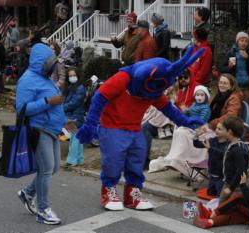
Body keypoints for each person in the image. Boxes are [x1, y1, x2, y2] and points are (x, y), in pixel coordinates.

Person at [76, 46, 205, 211]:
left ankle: (132, 195)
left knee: (137, 160)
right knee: (113, 161)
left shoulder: (155, 88)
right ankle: (109, 191)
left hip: (135, 128)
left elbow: (167, 108)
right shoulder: (124, 77)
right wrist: (90, 124)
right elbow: (100, 96)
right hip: (112, 126)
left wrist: (185, 121)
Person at [16, 43, 75, 225]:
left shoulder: (45, 77)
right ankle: (42, 210)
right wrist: (48, 101)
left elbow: (55, 104)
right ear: (41, 62)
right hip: (38, 129)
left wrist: (64, 120)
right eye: (49, 62)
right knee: (46, 169)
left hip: (53, 129)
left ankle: (27, 193)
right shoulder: (27, 79)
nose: (53, 65)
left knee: (54, 167)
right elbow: (22, 109)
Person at [194, 153, 249, 229]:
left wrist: (243, 184)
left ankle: (211, 213)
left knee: (237, 198)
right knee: (235, 215)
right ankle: (210, 222)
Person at [148, 85, 211, 176]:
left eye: (202, 95)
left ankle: (183, 159)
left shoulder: (206, 108)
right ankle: (176, 157)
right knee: (178, 131)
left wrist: (189, 121)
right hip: (190, 126)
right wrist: (185, 111)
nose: (199, 97)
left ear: (206, 96)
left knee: (182, 133)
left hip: (199, 128)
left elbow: (202, 120)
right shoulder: (194, 105)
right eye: (197, 95)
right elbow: (187, 113)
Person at [142, 69, 196, 165]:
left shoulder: (196, 89)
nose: (182, 79)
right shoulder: (171, 89)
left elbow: (199, 108)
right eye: (180, 78)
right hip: (164, 119)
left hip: (178, 121)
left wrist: (186, 111)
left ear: (190, 77)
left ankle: (142, 160)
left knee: (145, 127)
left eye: (185, 77)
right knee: (141, 127)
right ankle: (140, 159)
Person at [219, 31, 249, 110]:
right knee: (235, 108)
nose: (244, 43)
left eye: (246, 41)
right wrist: (229, 67)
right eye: (241, 40)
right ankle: (236, 122)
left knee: (246, 108)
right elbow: (222, 69)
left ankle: (245, 122)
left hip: (248, 86)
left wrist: (248, 58)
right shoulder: (231, 53)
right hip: (235, 87)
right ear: (237, 41)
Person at [193, 122, 228, 196]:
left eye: (220, 129)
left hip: (222, 176)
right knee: (210, 194)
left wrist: (210, 148)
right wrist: (196, 136)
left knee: (220, 196)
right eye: (216, 128)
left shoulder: (229, 144)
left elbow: (223, 154)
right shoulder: (212, 140)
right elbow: (197, 145)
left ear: (228, 132)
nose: (216, 130)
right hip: (212, 174)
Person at [64, 68, 86, 166]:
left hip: (76, 115)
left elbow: (74, 103)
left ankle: (71, 160)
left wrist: (62, 108)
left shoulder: (80, 88)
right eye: (70, 76)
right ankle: (80, 159)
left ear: (77, 75)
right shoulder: (71, 87)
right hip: (74, 115)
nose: (72, 77)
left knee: (75, 137)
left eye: (73, 75)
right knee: (78, 137)